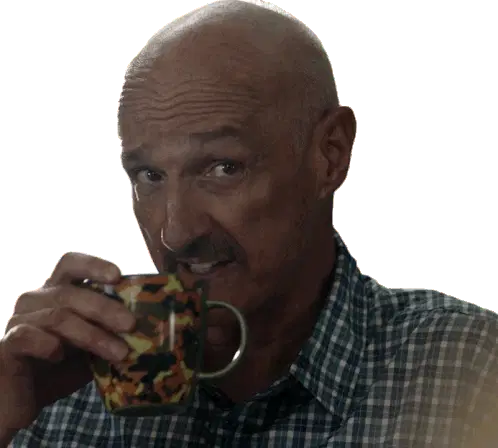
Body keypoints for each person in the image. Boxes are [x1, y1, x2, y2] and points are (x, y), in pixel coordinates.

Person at [1, 0, 497, 446]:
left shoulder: (471, 373)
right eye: (149, 176)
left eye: (223, 168)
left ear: (330, 155)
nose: (175, 232)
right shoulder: (57, 392)